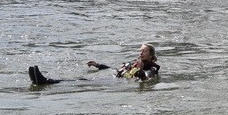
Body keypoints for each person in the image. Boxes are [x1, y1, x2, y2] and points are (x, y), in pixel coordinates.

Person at [29, 43, 160, 85]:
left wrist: (141, 72)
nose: (141, 53)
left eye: (144, 51)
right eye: (140, 51)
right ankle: (44, 81)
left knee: (82, 81)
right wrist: (98, 65)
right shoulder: (134, 62)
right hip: (114, 77)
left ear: (150, 55)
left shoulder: (151, 68)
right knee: (83, 80)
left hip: (115, 83)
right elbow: (116, 69)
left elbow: (148, 77)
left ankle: (45, 81)